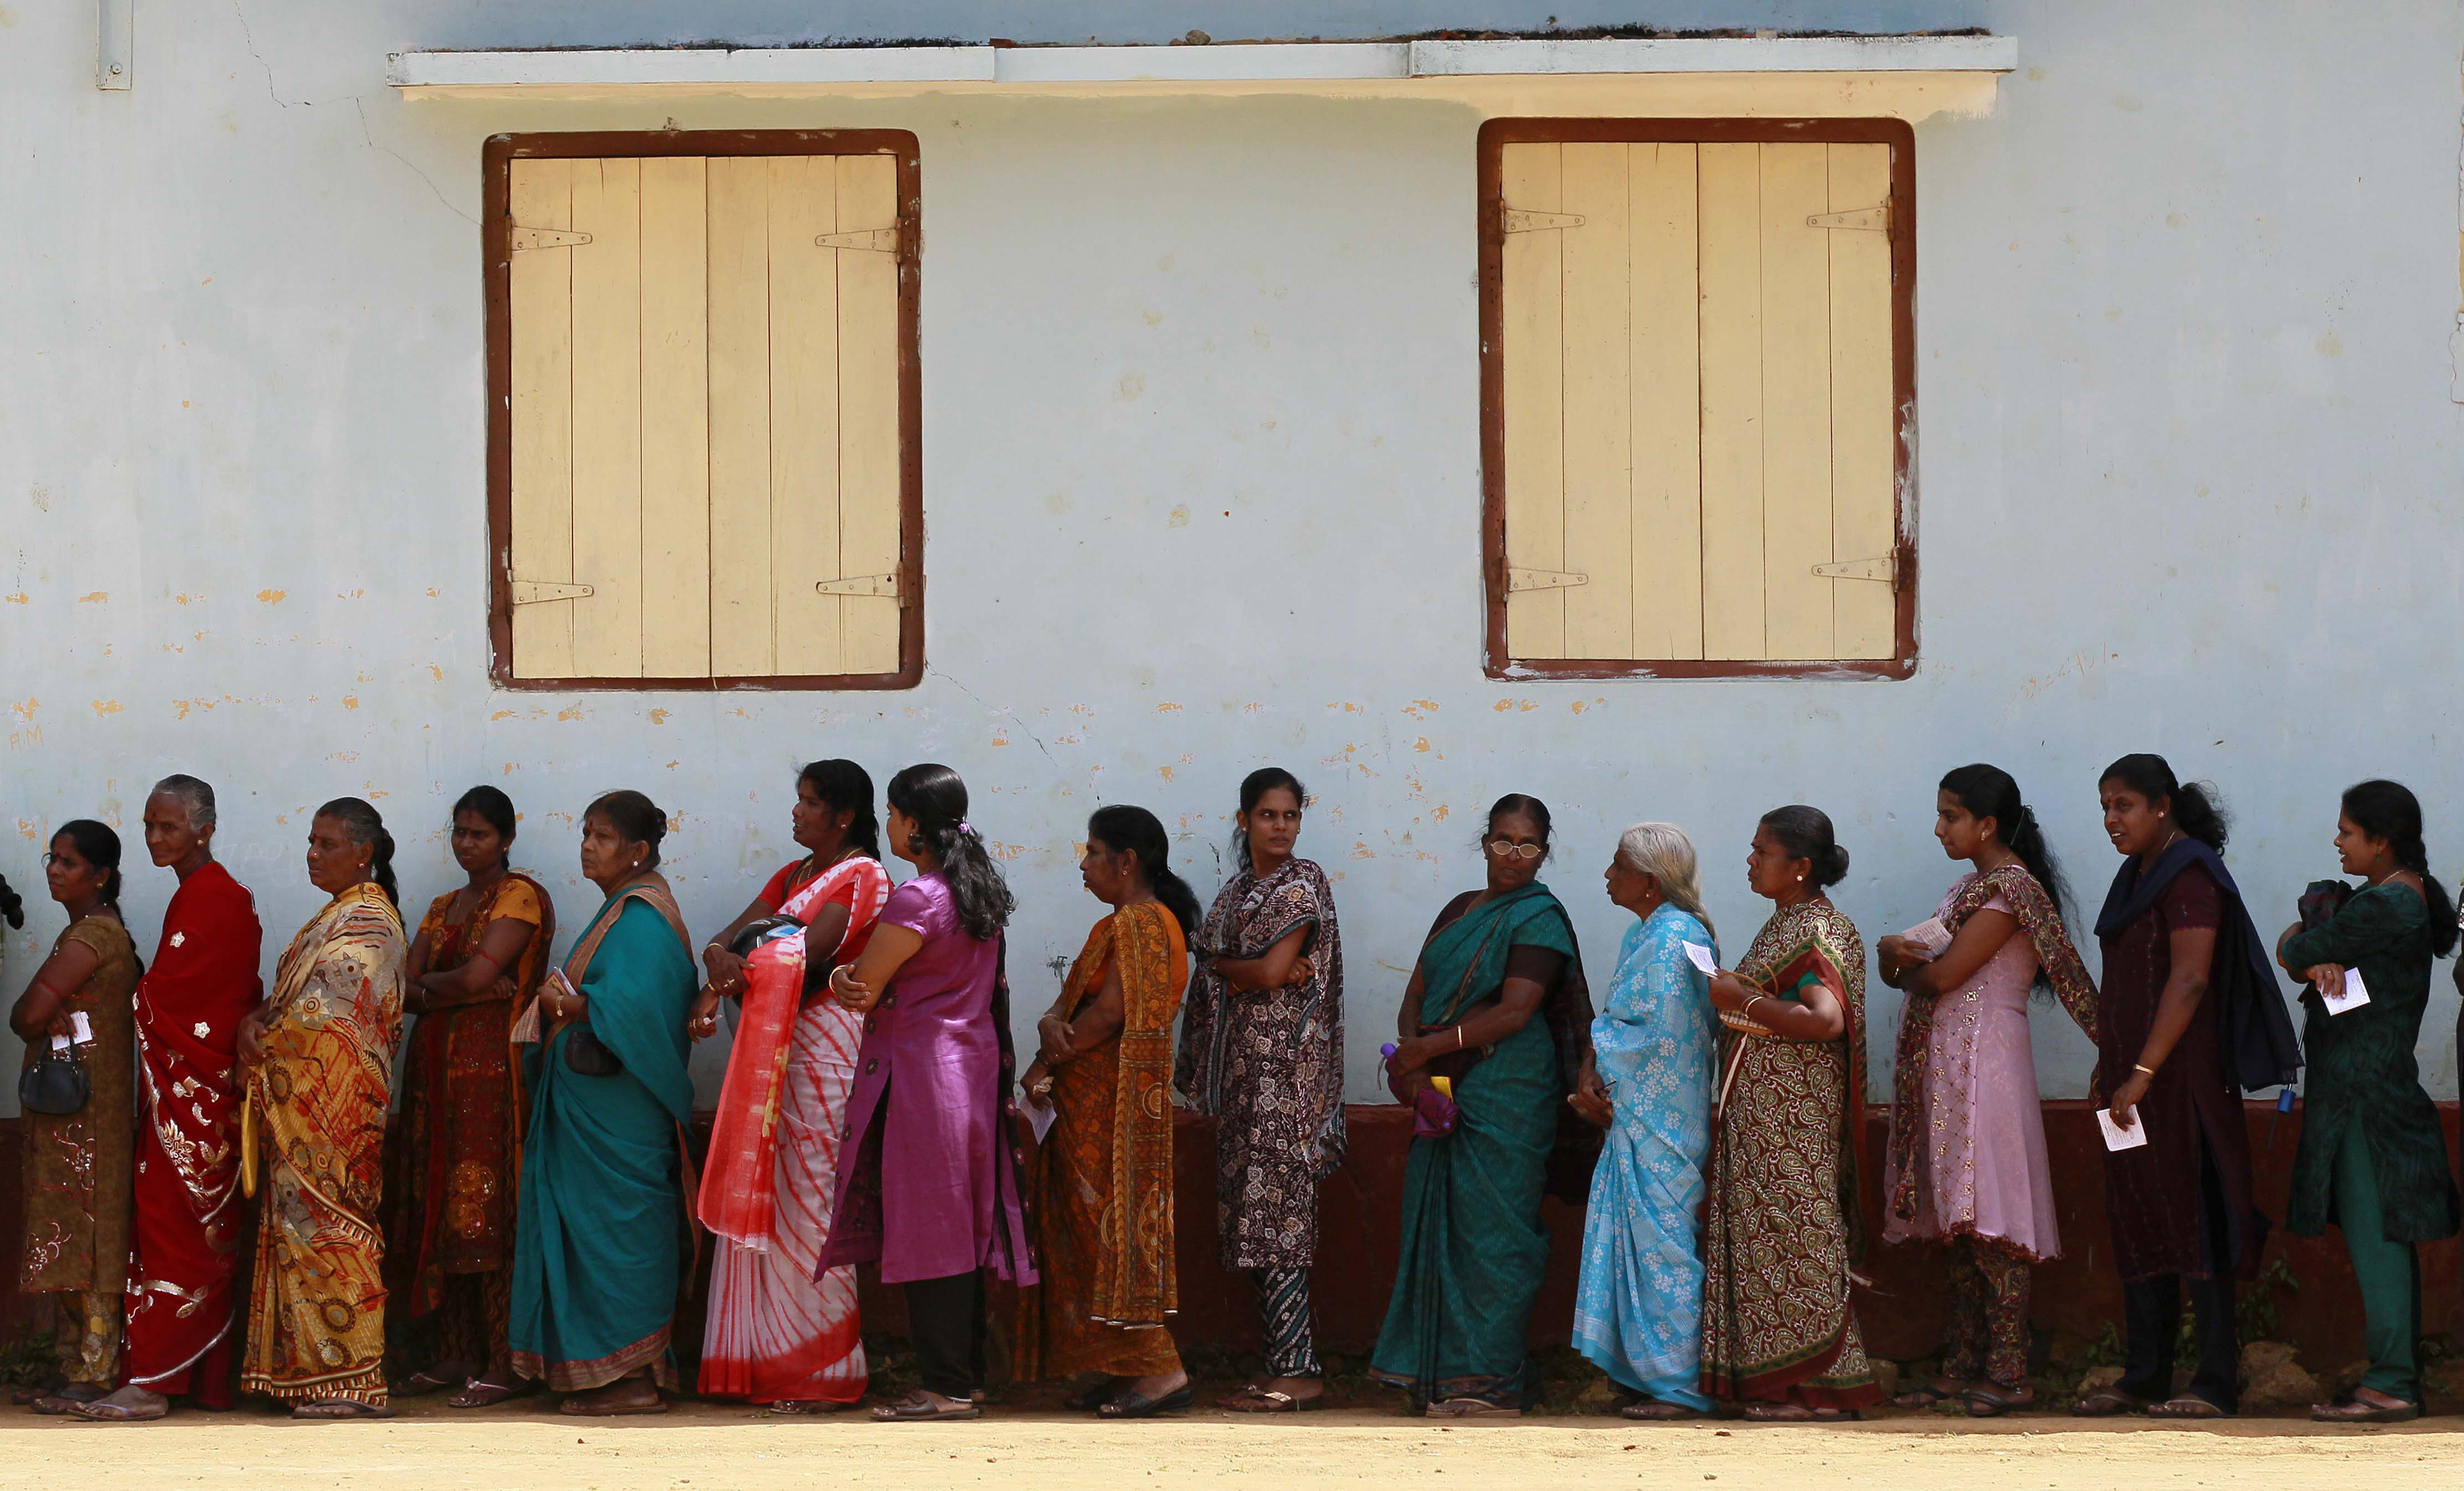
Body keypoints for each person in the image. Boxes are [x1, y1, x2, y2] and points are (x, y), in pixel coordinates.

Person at [2073, 753, 2299, 1421]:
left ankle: (2214, 1382)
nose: (2111, 819)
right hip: (2133, 1087)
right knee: (2141, 1216)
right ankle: (2145, 1376)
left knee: (2197, 1218)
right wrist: (2116, 1071)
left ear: (2162, 806)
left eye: (2124, 805)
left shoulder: (2190, 871)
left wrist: (2142, 1072)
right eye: (2105, 806)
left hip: (2182, 1083)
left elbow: (2191, 978)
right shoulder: (2136, 874)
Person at [1875, 765, 2099, 1417]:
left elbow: (1941, 975)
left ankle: (2009, 1372)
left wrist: (1901, 962)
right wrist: (1898, 960)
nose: (1939, 828)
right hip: (1951, 1066)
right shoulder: (1966, 891)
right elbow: (1910, 965)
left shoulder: (2010, 893)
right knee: (1957, 1222)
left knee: (1993, 1217)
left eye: (1950, 816)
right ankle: (1962, 1365)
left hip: (1986, 1067)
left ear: (1988, 824)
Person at [1370, 793, 1596, 1419]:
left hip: (1507, 1091)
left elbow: (1516, 1012)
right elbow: (1416, 993)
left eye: (1527, 845)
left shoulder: (1540, 918)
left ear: (1544, 853)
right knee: (1439, 1224)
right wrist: (1417, 1063)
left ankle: (1494, 1379)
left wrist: (1427, 1050)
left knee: (1496, 1235)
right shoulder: (1458, 910)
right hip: (1445, 1087)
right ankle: (1439, 1375)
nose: (1513, 855)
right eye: (1502, 841)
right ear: (1484, 843)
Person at [824, 763, 1035, 1423]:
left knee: (930, 1227)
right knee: (962, 1227)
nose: (886, 824)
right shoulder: (977, 893)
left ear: (913, 824)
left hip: (923, 1077)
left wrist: (839, 980)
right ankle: (966, 1378)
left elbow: (865, 984)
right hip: (971, 1074)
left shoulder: (918, 899)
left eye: (892, 814)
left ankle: (945, 1387)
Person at [692, 760, 890, 1412]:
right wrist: (719, 961)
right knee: (769, 1195)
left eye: (810, 802)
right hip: (777, 1049)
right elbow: (728, 937)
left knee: (811, 1201)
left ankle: (824, 1370)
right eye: (798, 799)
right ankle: (762, 1364)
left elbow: (807, 954)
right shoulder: (792, 875)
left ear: (844, 816)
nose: (797, 812)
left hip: (824, 1051)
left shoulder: (862, 875)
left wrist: (735, 968)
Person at [74, 775, 264, 1423]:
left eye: (169, 827)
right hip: (180, 1095)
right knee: (173, 1230)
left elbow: (197, 1000)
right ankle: (193, 1381)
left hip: (195, 1099)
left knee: (177, 1231)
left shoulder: (219, 898)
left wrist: (130, 993)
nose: (155, 838)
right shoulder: (198, 894)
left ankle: (153, 1383)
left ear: (204, 831)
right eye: (150, 826)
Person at [2274, 780, 2459, 1423]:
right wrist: (2312, 958)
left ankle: (2391, 1381)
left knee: (2377, 1237)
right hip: (2369, 1089)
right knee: (2383, 1234)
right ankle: (2394, 1377)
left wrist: (2308, 954)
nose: (2338, 841)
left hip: (2364, 1097)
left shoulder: (2388, 905)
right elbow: (2304, 951)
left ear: (2381, 842)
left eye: (2348, 831)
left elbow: (2294, 945)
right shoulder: (2390, 898)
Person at [509, 791, 698, 1415]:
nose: (589, 847)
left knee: (622, 1231)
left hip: (620, 1116)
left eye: (604, 837)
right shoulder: (618, 909)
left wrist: (564, 1004)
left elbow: (638, 1012)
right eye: (586, 834)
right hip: (588, 1111)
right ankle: (599, 1374)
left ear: (638, 850)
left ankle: (634, 1379)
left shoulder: (642, 917)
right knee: (590, 1235)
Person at [1014, 805, 1200, 1418]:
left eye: (1094, 852)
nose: (1084, 863)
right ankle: (1123, 1366)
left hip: (1115, 1114)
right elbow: (1075, 1004)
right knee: (1087, 1230)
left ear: (1126, 862)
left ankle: (1161, 1369)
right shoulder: (1119, 924)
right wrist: (1050, 1023)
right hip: (1091, 1102)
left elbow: (1109, 1015)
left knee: (1109, 1236)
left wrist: (1047, 1057)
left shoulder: (1145, 923)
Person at [1698, 806, 1880, 1421]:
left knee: (1801, 1236)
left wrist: (1743, 999)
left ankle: (1823, 1388)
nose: (1750, 861)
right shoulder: (1784, 923)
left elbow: (1824, 1021)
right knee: (1767, 1244)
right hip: (1760, 1119)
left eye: (1762, 851)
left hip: (1794, 1123)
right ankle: (1780, 1384)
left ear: (1800, 866)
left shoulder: (1822, 928)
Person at [1174, 767, 1347, 1414]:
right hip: (1247, 1081)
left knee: (1281, 1220)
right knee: (1254, 1219)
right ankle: (1280, 1362)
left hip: (1289, 1081)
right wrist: (1238, 970)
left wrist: (1228, 965)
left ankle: (1300, 1369)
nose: (1281, 827)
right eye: (1269, 815)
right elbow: (1244, 968)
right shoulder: (1237, 892)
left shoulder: (1301, 885)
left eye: (1290, 815)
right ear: (1243, 819)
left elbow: (1271, 972)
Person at [382, 786, 554, 1409]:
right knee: (437, 1208)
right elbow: (401, 987)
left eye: (479, 834)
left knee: (487, 1209)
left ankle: (506, 1360)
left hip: (492, 1084)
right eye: (459, 831)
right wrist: (457, 991)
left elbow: (477, 975)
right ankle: (454, 1353)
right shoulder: (441, 905)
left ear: (506, 839)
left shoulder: (519, 896)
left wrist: (446, 988)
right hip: (433, 1080)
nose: (466, 843)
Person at [235, 797, 407, 1417]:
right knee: (297, 1231)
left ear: (363, 853)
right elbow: (291, 1002)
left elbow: (325, 1020)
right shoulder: (333, 917)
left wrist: (266, 1046)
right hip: (302, 1108)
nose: (313, 854)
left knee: (334, 1233)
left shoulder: (371, 923)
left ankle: (355, 1380)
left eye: (327, 844)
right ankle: (307, 1375)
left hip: (334, 1114)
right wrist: (253, 1025)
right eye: (311, 841)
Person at [1568, 822, 1718, 1421]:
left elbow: (1662, 1035)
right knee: (1646, 1243)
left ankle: (1680, 1384)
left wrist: (1605, 1076)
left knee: (1665, 1249)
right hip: (1639, 1112)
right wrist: (1595, 1072)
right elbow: (1619, 1020)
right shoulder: (1647, 932)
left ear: (1649, 881)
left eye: (1618, 866)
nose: (1608, 876)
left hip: (1663, 1118)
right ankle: (1645, 1375)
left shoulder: (1674, 935)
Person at [11, 822, 139, 1414]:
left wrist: (43, 1012)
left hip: (86, 1122)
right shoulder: (89, 933)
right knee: (70, 1232)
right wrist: (45, 1013)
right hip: (75, 1119)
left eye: (69, 862)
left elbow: (24, 1015)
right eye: (53, 859)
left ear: (101, 875)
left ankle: (95, 1368)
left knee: (89, 1235)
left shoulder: (93, 936)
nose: (55, 871)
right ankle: (73, 1365)